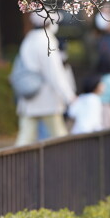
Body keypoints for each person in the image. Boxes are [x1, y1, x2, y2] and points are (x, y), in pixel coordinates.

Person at [14, 11, 76, 146]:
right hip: (46, 98)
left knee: (25, 137)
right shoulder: (47, 40)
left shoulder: (29, 39)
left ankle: (14, 166)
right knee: (59, 135)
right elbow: (55, 73)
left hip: (29, 97)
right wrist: (69, 96)